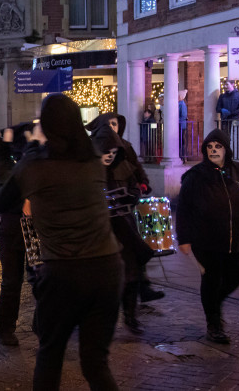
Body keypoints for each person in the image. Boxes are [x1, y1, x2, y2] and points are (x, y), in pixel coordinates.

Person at [0, 94, 123, 390]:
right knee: (95, 363)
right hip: (107, 268)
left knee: (50, 357)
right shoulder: (92, 161)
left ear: (47, 125)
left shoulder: (34, 167)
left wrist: (2, 149)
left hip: (64, 271)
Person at [176, 129, 239, 345]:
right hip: (206, 240)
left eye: (218, 147)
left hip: (233, 238)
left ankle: (214, 306)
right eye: (210, 147)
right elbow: (183, 209)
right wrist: (184, 238)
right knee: (211, 281)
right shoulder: (196, 176)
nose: (214, 151)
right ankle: (214, 324)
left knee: (234, 278)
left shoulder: (238, 172)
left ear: (226, 150)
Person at [91, 125, 155, 335]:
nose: (110, 156)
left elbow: (135, 185)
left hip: (124, 228)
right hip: (99, 231)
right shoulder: (87, 170)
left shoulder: (123, 167)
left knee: (131, 272)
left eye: (114, 152)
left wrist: (132, 195)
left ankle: (130, 314)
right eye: (106, 152)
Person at [0, 120, 35, 347]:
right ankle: (6, 327)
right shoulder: (1, 161)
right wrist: (20, 203)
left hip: (34, 227)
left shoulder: (34, 160)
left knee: (40, 277)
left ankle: (41, 323)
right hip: (10, 227)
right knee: (12, 279)